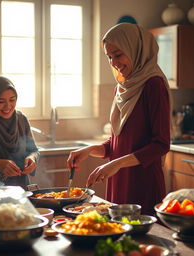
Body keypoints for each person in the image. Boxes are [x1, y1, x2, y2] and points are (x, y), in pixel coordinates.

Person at [67, 23, 171, 215]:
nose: (114, 62)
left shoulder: (153, 85)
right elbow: (119, 142)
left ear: (135, 49)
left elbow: (161, 144)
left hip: (143, 182)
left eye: (118, 55)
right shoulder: (121, 87)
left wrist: (116, 163)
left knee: (141, 241)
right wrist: (91, 150)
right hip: (119, 179)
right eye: (109, 57)